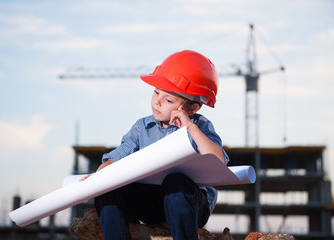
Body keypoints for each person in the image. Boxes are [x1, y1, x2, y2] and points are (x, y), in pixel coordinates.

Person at [80, 50, 229, 240]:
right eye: (156, 92)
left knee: (176, 181)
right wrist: (101, 175)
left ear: (192, 108)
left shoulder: (199, 126)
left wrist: (190, 128)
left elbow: (218, 162)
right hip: (151, 201)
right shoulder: (142, 127)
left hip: (188, 203)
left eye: (168, 100)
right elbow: (116, 158)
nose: (157, 102)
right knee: (109, 188)